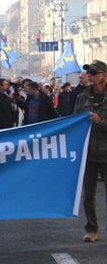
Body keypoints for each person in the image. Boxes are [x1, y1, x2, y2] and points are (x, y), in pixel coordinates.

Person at [73, 60, 107, 243]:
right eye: (89, 73)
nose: (91, 75)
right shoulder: (82, 97)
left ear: (104, 76)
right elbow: (73, 121)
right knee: (88, 196)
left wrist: (100, 122)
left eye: (94, 72)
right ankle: (91, 229)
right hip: (89, 155)